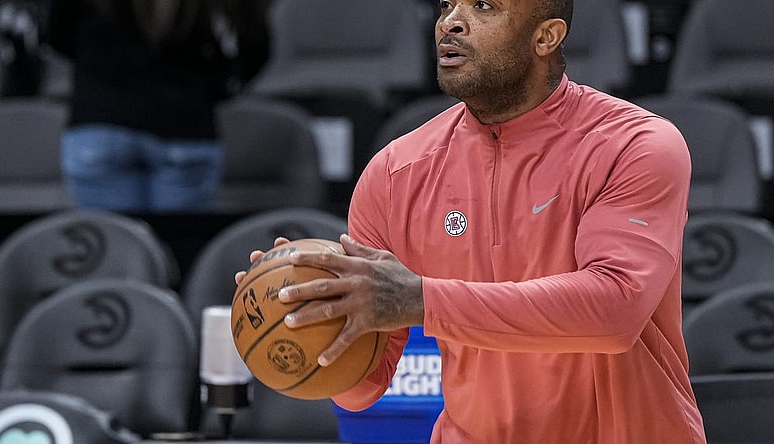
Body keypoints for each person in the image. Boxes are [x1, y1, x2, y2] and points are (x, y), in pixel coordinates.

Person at [237, 0, 707, 442]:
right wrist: (307, 314)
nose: (450, 22)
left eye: (483, 5)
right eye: (447, 5)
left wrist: (421, 299)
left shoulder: (636, 145)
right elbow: (363, 390)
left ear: (546, 36)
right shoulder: (394, 174)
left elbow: (615, 310)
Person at [45, 0, 269, 212]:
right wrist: (213, 88)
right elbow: (252, 42)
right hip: (184, 125)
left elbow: (56, 33)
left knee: (115, 247)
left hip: (100, 123)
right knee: (180, 247)